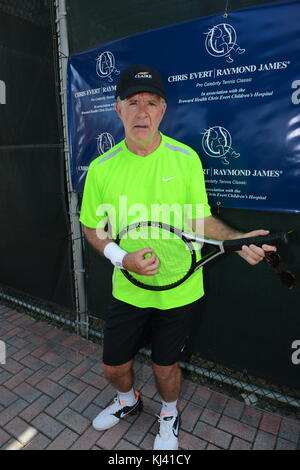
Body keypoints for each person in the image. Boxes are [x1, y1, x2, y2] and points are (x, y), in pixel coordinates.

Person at [79, 64, 276, 450]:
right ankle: (127, 401)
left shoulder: (184, 159)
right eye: (132, 102)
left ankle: (169, 414)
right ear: (117, 109)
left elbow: (199, 219)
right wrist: (122, 258)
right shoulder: (101, 169)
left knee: (165, 367)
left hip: (180, 291)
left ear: (163, 110)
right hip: (129, 289)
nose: (142, 112)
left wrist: (237, 240)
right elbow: (91, 228)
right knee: (113, 366)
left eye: (150, 102)